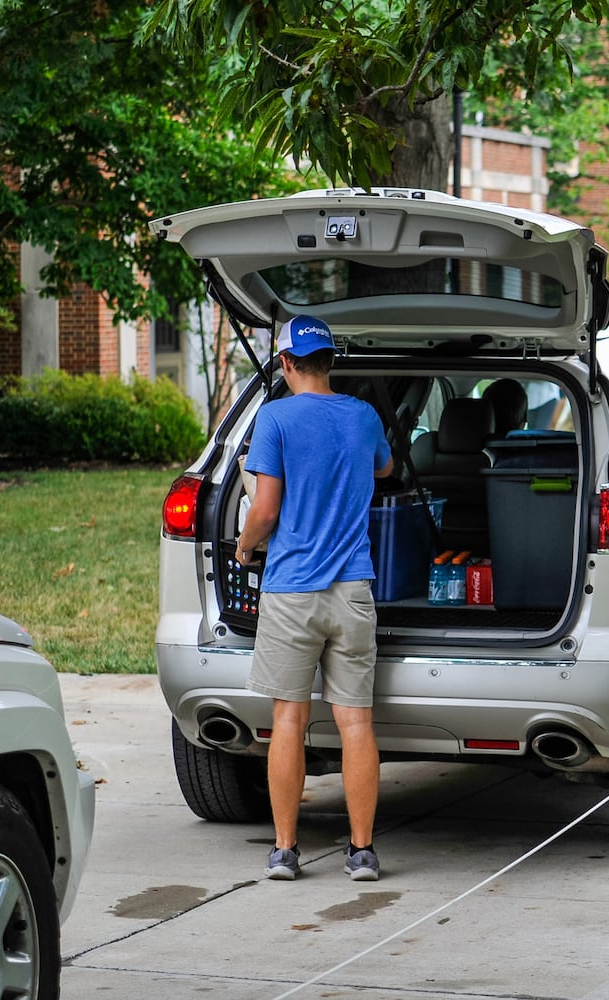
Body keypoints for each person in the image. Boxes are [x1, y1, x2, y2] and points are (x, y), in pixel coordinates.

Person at [235, 314, 394, 882]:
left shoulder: (274, 417)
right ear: (331, 361)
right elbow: (386, 466)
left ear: (284, 363)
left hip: (292, 592)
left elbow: (266, 510)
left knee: (288, 721)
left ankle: (284, 851)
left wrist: (244, 547)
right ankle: (362, 852)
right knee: (356, 724)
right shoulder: (363, 415)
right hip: (352, 590)